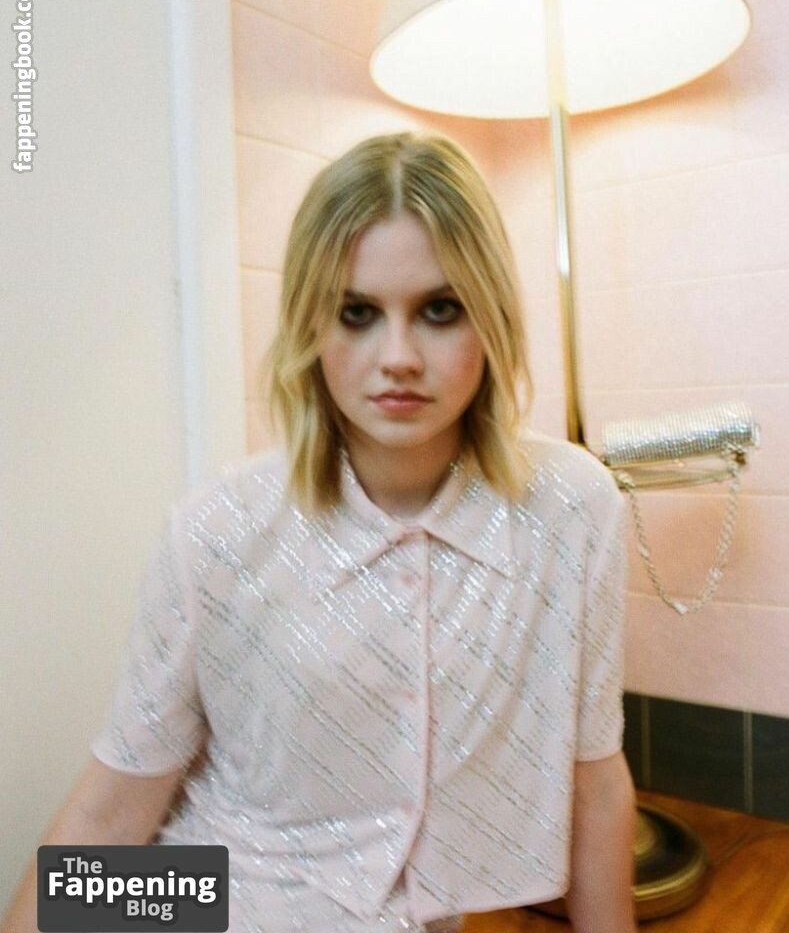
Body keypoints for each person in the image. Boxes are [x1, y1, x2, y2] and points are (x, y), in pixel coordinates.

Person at [2, 131, 637, 933]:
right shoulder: (216, 532)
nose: (398, 357)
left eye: (439, 310)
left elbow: (594, 778)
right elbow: (111, 806)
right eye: (356, 313)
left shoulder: (571, 508)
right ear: (311, 325)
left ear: (492, 317)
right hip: (202, 895)